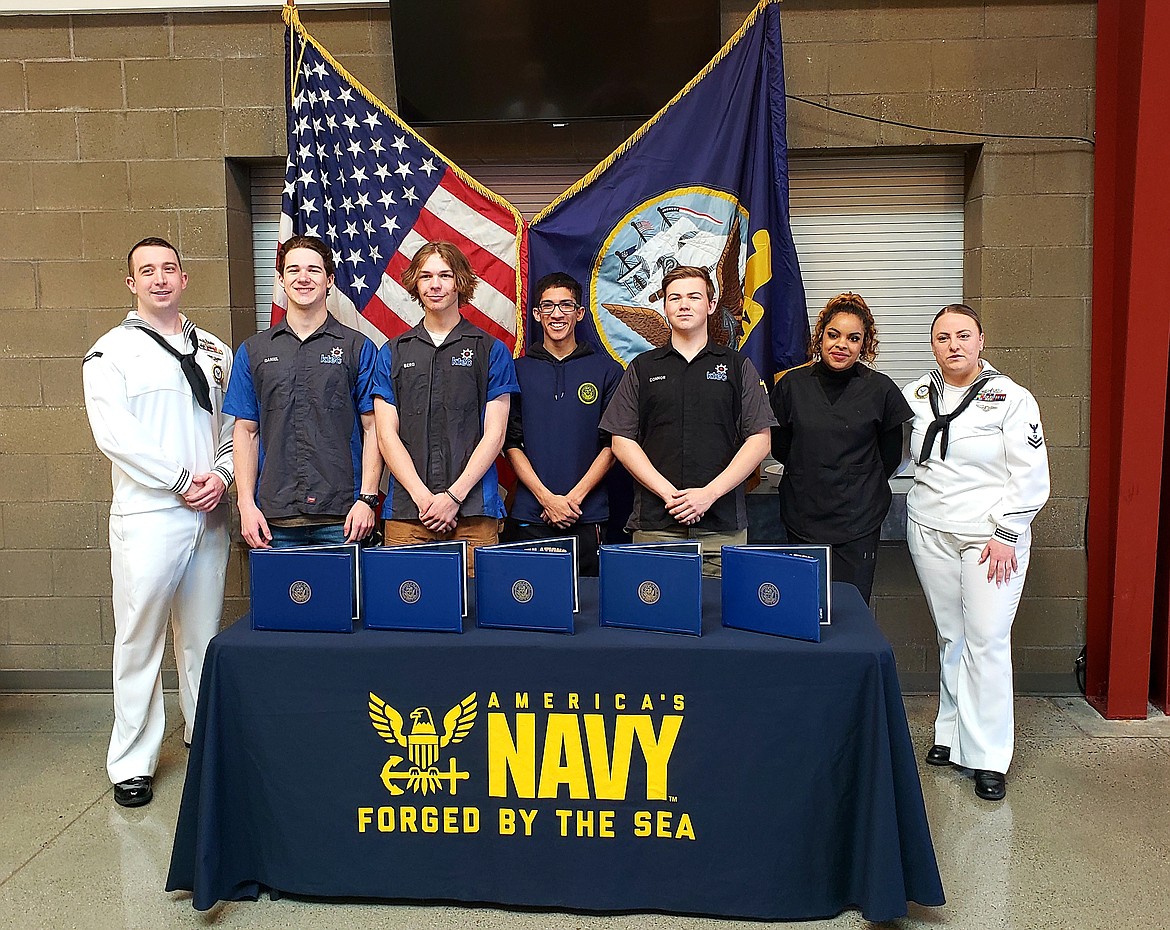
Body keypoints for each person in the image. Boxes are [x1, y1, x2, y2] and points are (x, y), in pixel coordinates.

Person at [82, 237, 235, 807]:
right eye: (147, 271)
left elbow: (231, 427)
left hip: (210, 509)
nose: (160, 279)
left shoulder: (215, 350)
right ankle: (132, 762)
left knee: (201, 636)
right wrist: (178, 480)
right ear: (131, 284)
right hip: (150, 514)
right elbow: (116, 436)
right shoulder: (111, 353)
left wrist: (221, 478)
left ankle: (202, 734)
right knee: (140, 638)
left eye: (169, 268)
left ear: (184, 278)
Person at [904, 304, 1050, 802]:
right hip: (930, 528)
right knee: (952, 636)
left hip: (989, 538)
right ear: (933, 345)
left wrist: (1008, 532)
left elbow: (1031, 476)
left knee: (986, 640)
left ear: (981, 340)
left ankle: (987, 756)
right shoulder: (917, 395)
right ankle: (950, 732)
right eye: (943, 337)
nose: (954, 345)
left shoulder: (1012, 398)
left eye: (963, 335)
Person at [599, 265, 776, 575]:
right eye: (675, 298)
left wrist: (708, 495)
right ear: (665, 307)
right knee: (655, 618)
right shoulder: (641, 368)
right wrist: (669, 495)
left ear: (710, 306)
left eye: (694, 297)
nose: (684, 304)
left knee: (723, 618)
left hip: (722, 531)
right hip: (656, 526)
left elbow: (760, 440)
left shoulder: (738, 366)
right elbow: (621, 440)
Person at [224, 235, 380, 548]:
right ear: (281, 280)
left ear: (329, 280)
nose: (303, 278)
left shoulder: (357, 347)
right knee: (281, 599)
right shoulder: (254, 350)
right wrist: (246, 504)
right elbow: (246, 432)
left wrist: (367, 499)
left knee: (346, 600)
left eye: (313, 270)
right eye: (293, 270)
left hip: (343, 517)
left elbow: (374, 427)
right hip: (272, 519)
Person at [373, 241, 519, 571]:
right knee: (404, 611)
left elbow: (495, 436)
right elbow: (386, 436)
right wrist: (426, 500)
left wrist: (453, 497)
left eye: (445, 275)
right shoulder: (393, 352)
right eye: (426, 276)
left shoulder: (490, 351)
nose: (435, 284)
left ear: (460, 282)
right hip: (409, 515)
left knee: (478, 613)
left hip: (474, 514)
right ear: (414, 283)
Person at [769, 292, 912, 603]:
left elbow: (891, 456)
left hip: (858, 523)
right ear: (821, 336)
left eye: (853, 338)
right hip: (802, 519)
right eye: (833, 334)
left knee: (852, 612)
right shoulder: (791, 386)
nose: (841, 344)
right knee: (804, 609)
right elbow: (780, 448)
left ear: (864, 344)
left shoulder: (881, 389)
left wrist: (855, 478)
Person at [504, 272, 623, 575]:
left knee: (589, 611)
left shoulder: (607, 370)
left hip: (587, 514)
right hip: (531, 514)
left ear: (580, 313)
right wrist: (546, 499)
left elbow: (613, 444)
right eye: (548, 306)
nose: (557, 314)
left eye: (566, 305)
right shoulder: (516, 370)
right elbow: (510, 443)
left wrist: (572, 500)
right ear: (537, 314)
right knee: (529, 602)